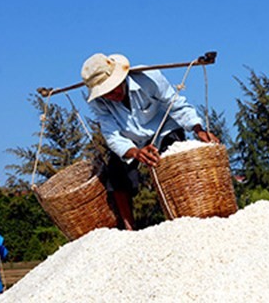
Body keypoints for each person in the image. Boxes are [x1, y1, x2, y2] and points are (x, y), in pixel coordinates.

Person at [81, 53, 218, 230]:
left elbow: (175, 103)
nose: (111, 95)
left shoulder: (149, 78)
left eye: (113, 89)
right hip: (130, 140)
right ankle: (129, 229)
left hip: (164, 130)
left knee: (174, 166)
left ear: (121, 79)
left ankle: (184, 218)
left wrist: (198, 129)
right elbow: (112, 135)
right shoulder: (99, 102)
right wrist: (136, 153)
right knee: (115, 174)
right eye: (105, 93)